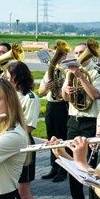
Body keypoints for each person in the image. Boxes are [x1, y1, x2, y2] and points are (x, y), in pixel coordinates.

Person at [61, 42, 100, 199]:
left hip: (89, 121)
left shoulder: (97, 72)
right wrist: (66, 90)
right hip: (74, 120)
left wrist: (80, 76)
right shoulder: (69, 71)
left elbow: (95, 95)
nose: (78, 55)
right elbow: (65, 98)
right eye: (77, 52)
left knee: (89, 164)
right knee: (73, 163)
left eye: (81, 52)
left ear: (89, 55)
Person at [5, 61, 41, 199]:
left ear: (17, 77)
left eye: (8, 75)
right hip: (7, 142)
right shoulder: (7, 95)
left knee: (23, 192)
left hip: (23, 144)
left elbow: (29, 126)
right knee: (11, 190)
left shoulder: (30, 97)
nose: (5, 78)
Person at [38, 47, 69, 183]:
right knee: (51, 138)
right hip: (51, 105)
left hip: (63, 105)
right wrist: (47, 86)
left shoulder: (67, 71)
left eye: (61, 54)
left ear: (65, 56)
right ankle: (54, 167)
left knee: (62, 138)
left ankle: (64, 169)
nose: (57, 57)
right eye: (56, 54)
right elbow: (40, 91)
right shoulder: (49, 71)